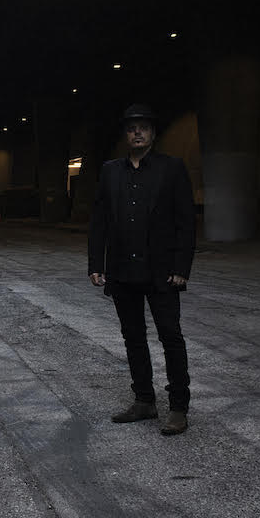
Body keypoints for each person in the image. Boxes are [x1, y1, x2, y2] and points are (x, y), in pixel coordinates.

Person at [87, 103, 197, 436]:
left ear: (153, 133)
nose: (137, 133)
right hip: (122, 270)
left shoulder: (172, 168)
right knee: (133, 337)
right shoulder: (110, 171)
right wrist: (96, 263)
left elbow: (186, 221)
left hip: (161, 271)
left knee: (170, 337)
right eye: (132, 128)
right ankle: (144, 401)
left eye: (143, 128)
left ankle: (178, 407)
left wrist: (181, 266)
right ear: (126, 134)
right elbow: (99, 220)